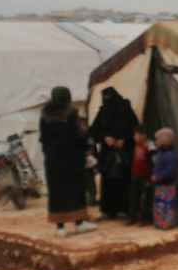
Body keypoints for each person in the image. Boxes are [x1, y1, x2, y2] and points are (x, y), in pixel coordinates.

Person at [39, 87, 97, 237]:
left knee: (57, 192)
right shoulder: (71, 114)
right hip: (71, 159)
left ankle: (60, 228)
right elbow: (77, 136)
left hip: (52, 161)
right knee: (76, 190)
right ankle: (79, 223)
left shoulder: (44, 116)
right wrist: (86, 147)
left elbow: (43, 140)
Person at [89, 87, 138, 220]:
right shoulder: (103, 111)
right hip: (107, 154)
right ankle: (108, 210)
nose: (108, 101)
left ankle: (124, 209)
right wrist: (105, 137)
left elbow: (135, 127)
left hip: (125, 152)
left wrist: (125, 139)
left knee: (124, 180)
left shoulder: (126, 109)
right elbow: (93, 130)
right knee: (108, 181)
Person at [150, 128, 178, 229]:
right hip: (160, 185)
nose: (156, 142)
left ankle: (167, 223)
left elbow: (170, 170)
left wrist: (158, 176)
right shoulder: (160, 153)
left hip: (168, 185)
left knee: (168, 205)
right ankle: (160, 222)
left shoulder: (170, 155)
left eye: (157, 139)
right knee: (160, 205)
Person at [128, 126, 153, 225]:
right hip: (135, 175)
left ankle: (144, 219)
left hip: (145, 176)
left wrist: (150, 177)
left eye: (136, 135)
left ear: (143, 136)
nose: (134, 137)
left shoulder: (149, 147)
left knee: (145, 198)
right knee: (134, 197)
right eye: (134, 135)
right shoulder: (136, 146)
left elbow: (152, 162)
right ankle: (132, 217)